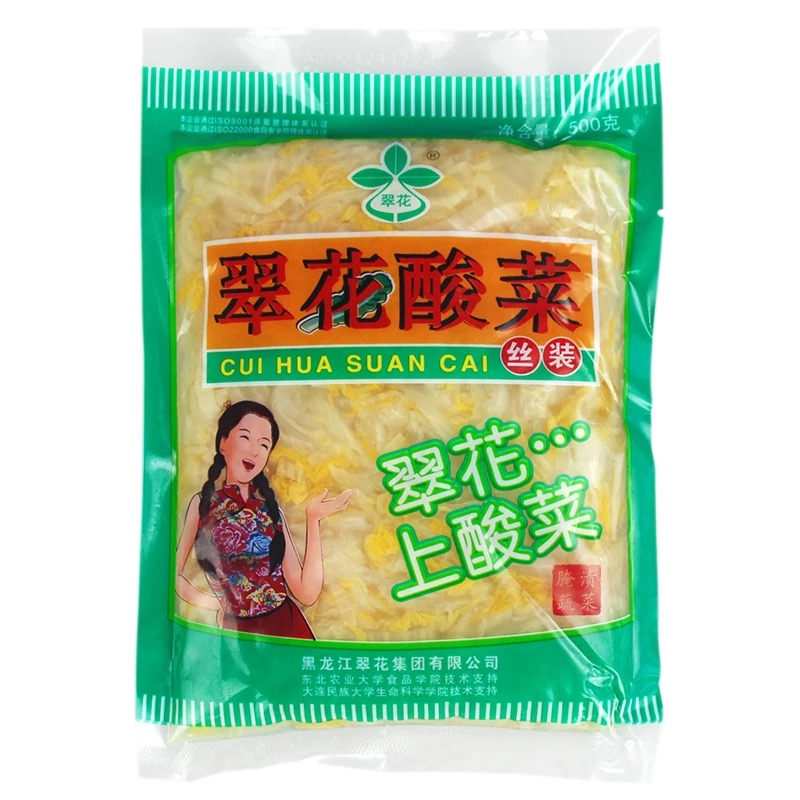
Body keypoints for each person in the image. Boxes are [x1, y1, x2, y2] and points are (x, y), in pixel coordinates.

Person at [175, 400, 351, 639]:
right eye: (245, 437)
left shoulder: (270, 510)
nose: (254, 451)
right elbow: (173, 575)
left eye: (264, 444)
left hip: (288, 626)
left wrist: (313, 519)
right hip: (239, 634)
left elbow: (306, 593)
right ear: (223, 443)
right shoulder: (202, 505)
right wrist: (215, 603)